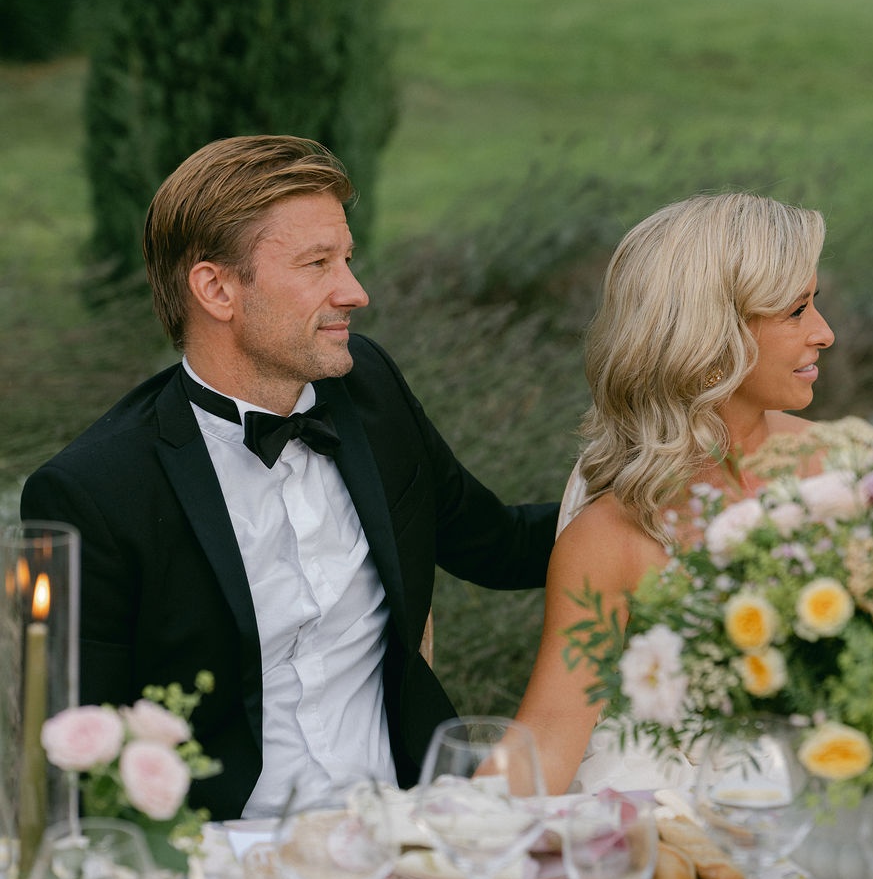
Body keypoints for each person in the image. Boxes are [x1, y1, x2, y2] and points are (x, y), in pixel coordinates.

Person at [21, 135, 558, 820]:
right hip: (224, 856)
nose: (356, 292)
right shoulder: (95, 491)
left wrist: (661, 501)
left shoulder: (372, 393)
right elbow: (75, 759)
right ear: (217, 288)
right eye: (317, 264)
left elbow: (497, 541)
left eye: (348, 259)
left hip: (410, 823)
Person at [512, 192, 838, 795]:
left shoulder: (839, 468)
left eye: (815, 303)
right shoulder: (612, 533)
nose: (825, 332)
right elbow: (549, 736)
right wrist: (441, 843)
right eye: (796, 311)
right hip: (655, 822)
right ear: (713, 339)